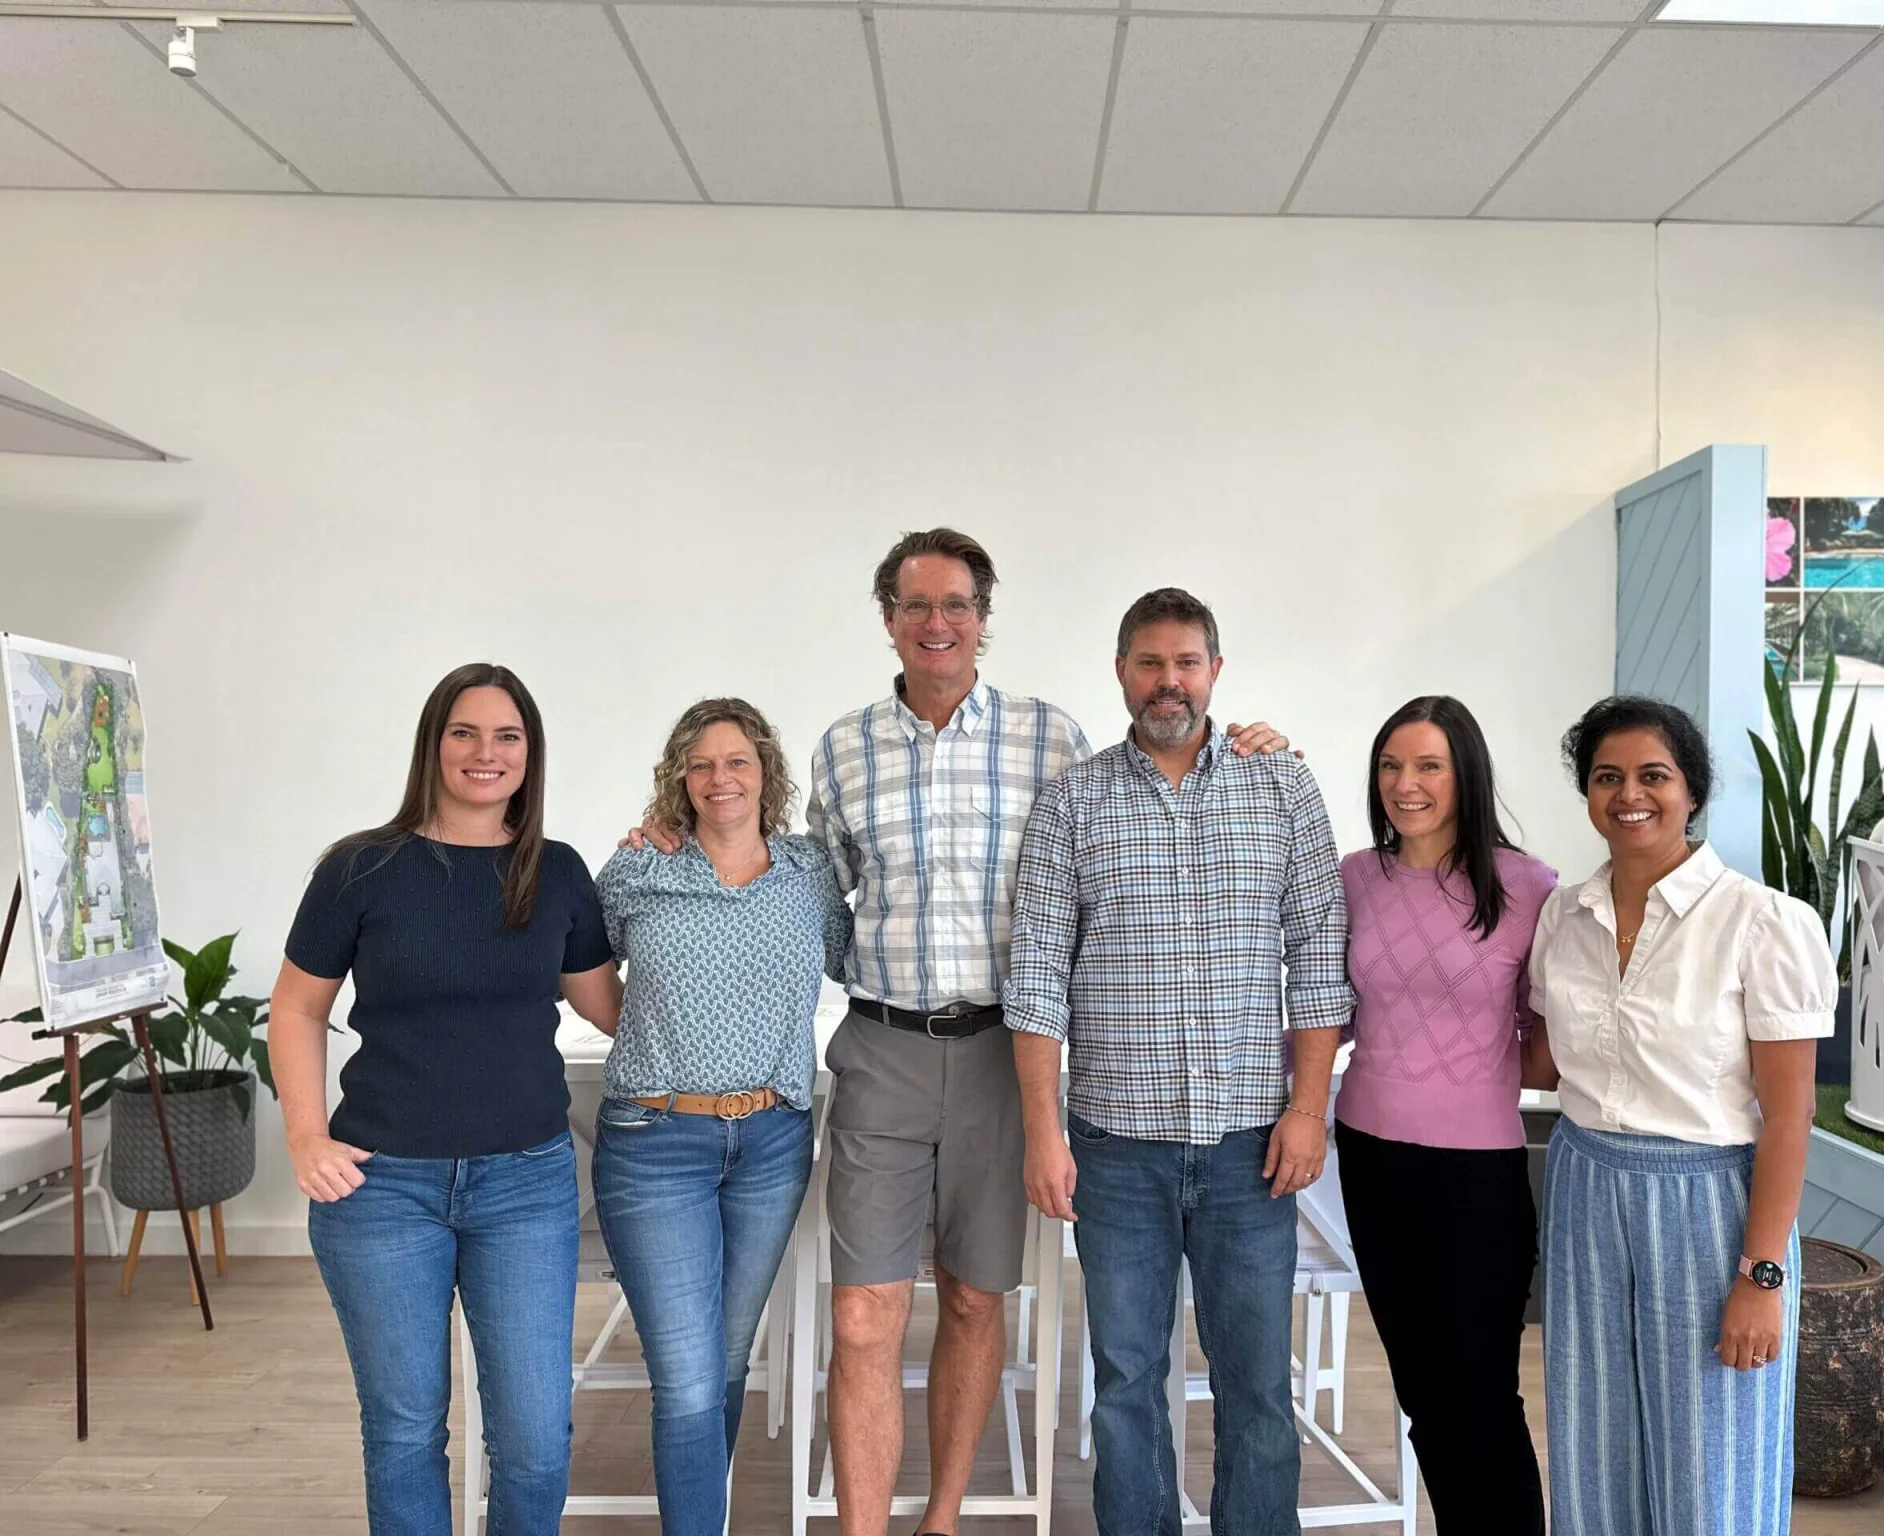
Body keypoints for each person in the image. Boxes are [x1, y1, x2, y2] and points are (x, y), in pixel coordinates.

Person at [628, 531, 1290, 1534]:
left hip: (1002, 1058)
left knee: (978, 1304)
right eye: (913, 605)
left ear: (984, 616)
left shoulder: (1052, 739)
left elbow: (1122, 831)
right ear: (887, 618)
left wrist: (1247, 745)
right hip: (883, 1050)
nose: (935, 624)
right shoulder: (840, 750)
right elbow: (812, 881)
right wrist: (672, 829)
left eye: (956, 605)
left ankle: (937, 1519)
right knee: (862, 1316)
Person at [1006, 587, 1352, 1536]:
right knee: (1125, 1380)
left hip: (1252, 1144)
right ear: (1122, 671)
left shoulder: (1281, 785)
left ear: (1216, 671)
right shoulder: (1073, 799)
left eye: (1187, 663)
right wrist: (1045, 1131)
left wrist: (1308, 1108)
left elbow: (1320, 952)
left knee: (1256, 1383)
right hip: (1116, 1148)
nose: (1169, 682)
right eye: (1150, 663)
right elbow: (1036, 968)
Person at [269, 663, 622, 1536]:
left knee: (536, 1440)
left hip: (526, 1186)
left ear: (530, 754)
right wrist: (306, 1138)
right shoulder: (362, 869)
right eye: (464, 732)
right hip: (382, 1188)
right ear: (433, 744)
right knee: (403, 1432)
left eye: (507, 735)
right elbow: (298, 1006)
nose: (484, 753)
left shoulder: (561, 873)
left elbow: (610, 1008)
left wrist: (676, 870)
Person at [1526, 696, 1833, 1536]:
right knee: (1593, 1455)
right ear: (1587, 793)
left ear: (1692, 790)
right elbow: (1541, 1063)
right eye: (1607, 777)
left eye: (1653, 776)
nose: (1631, 795)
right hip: (1586, 1187)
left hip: (1709, 1206)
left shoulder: (1760, 923)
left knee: (1714, 1470)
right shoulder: (1565, 915)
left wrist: (1761, 1276)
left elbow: (1790, 1117)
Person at [591, 697, 852, 1536]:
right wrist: (653, 1026)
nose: (719, 778)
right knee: (690, 1378)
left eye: (736, 761)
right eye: (700, 764)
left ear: (766, 772)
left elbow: (861, 960)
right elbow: (577, 969)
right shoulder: (639, 870)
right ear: (679, 779)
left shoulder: (809, 872)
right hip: (653, 1141)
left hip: (774, 1140)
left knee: (728, 1360)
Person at [1334, 695, 1554, 1536]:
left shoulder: (1528, 885)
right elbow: (1331, 1011)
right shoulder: (1356, 876)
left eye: (1428, 766)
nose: (1405, 784)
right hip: (1370, 1157)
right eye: (1391, 766)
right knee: (1425, 1395)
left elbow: (1551, 1033)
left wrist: (1484, 1073)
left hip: (1478, 1175)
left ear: (1466, 774)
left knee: (1481, 1396)